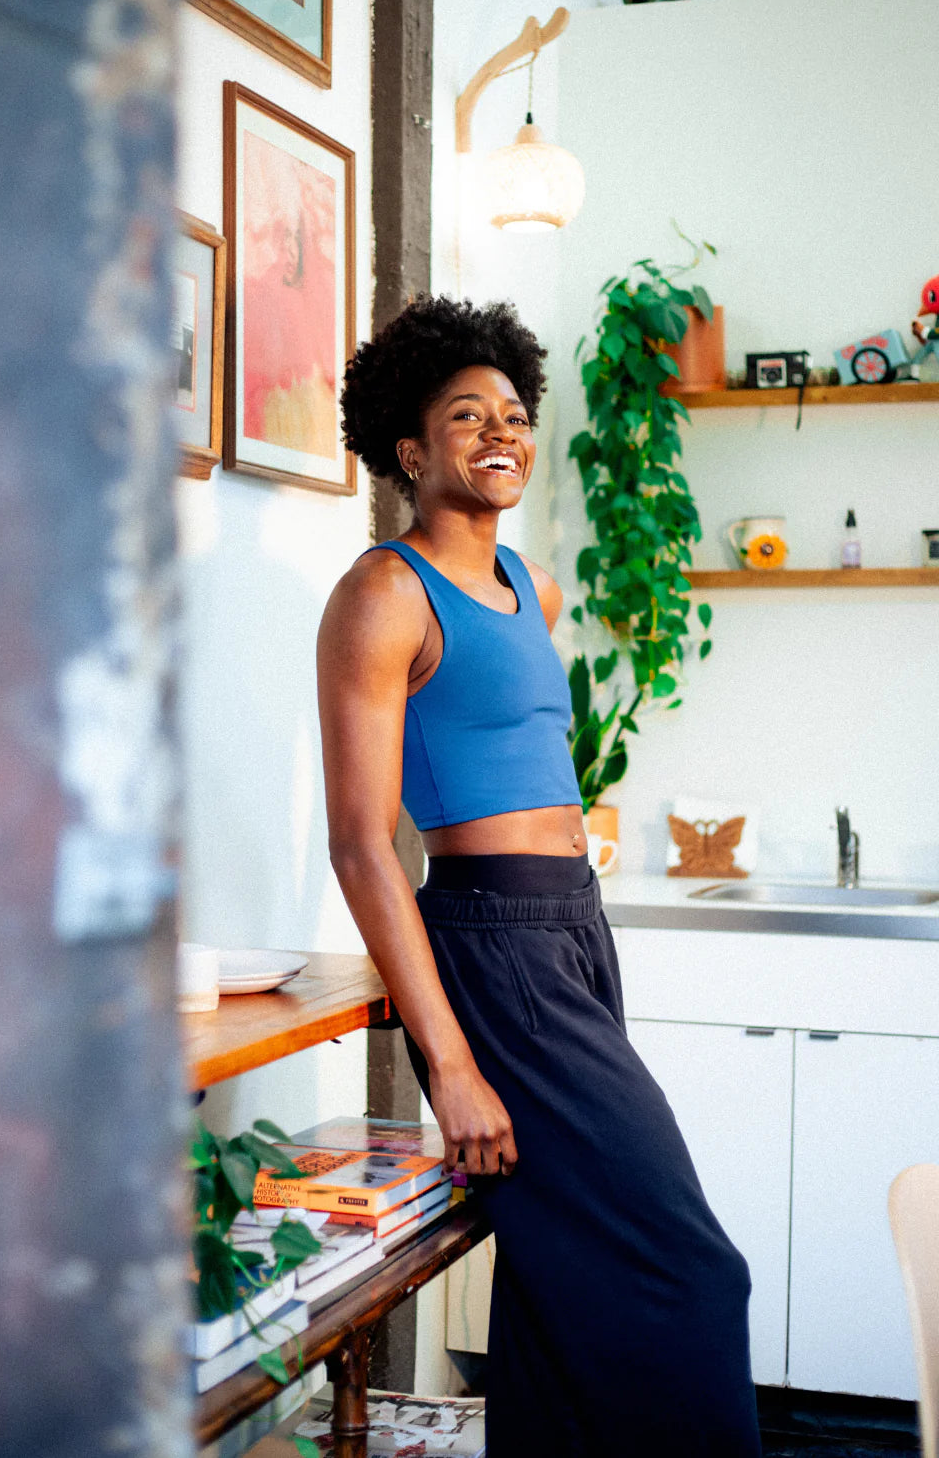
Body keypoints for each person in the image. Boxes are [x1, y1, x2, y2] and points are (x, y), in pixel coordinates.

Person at [316, 294, 761, 1456]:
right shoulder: (385, 595)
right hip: (494, 944)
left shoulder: (531, 586)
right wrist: (450, 1069)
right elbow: (364, 844)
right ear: (408, 450)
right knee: (694, 1273)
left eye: (512, 411)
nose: (499, 431)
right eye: (465, 415)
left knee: (561, 1276)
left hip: (573, 927)